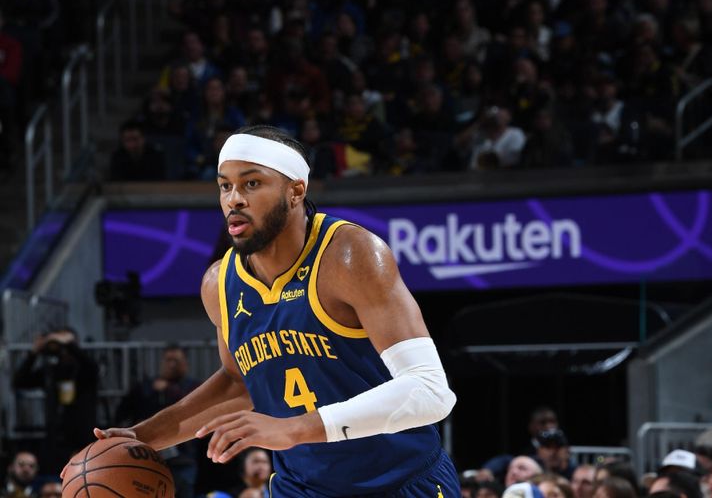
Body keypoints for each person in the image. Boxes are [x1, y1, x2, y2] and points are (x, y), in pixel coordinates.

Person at [86, 124, 459, 496]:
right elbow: (239, 381)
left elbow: (429, 392)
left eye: (251, 184)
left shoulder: (349, 255)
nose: (234, 199)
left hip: (398, 482)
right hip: (301, 488)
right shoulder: (219, 284)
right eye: (225, 186)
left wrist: (294, 428)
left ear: (295, 191)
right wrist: (143, 436)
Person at [115, 345, 201, 498]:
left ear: (185, 363)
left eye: (176, 360)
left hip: (182, 456)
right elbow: (123, 411)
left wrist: (169, 389)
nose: (171, 364)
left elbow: (194, 410)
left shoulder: (193, 387)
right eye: (168, 360)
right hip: (148, 455)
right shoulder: (146, 386)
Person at [13, 328, 98, 475]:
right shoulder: (51, 371)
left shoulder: (85, 371)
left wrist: (70, 343)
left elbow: (92, 367)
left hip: (83, 434)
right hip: (56, 435)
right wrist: (34, 353)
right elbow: (19, 382)